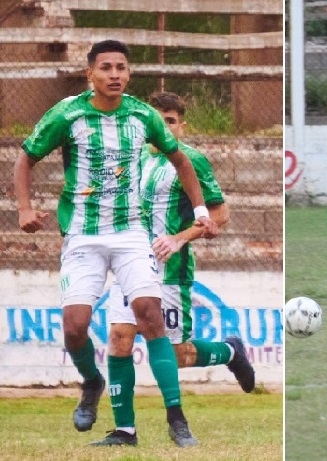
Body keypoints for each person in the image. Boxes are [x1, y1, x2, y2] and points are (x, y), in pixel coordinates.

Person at [13, 40, 219, 446]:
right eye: (105, 67)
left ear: (129, 73)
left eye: (121, 68)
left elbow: (180, 159)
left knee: (149, 314)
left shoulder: (142, 115)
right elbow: (25, 159)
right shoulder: (68, 114)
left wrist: (199, 212)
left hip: (130, 233)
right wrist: (24, 209)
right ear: (89, 73)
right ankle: (92, 382)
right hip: (83, 236)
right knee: (75, 327)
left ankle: (177, 418)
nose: (114, 75)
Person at [91, 92, 255, 447]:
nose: (163, 127)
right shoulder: (134, 158)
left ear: (182, 126)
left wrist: (180, 238)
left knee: (177, 354)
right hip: (131, 265)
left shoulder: (190, 160)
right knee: (120, 336)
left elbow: (220, 213)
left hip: (170, 272)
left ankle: (229, 351)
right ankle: (124, 430)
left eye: (170, 121)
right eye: (158, 120)